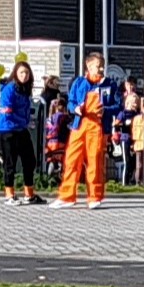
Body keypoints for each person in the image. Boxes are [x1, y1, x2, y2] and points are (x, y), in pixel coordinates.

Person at [57, 65, 117, 207]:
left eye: (102, 67)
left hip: (98, 127)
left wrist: (106, 110)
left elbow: (118, 105)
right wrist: (75, 108)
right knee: (71, 160)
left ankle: (94, 197)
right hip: (79, 126)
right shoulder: (78, 83)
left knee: (94, 162)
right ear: (89, 68)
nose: (101, 69)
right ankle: (67, 196)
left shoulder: (110, 85)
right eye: (98, 67)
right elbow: (71, 102)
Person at [0, 59, 41, 204]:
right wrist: (23, 121)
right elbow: (8, 111)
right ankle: (9, 195)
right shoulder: (10, 88)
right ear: (15, 74)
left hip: (21, 128)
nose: (24, 75)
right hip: (7, 129)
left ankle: (29, 194)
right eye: (21, 72)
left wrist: (27, 121)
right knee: (10, 162)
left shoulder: (25, 89)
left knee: (29, 160)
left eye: (26, 72)